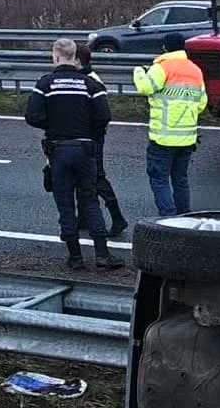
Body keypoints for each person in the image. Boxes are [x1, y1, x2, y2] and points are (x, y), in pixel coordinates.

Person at [25, 38, 121, 270]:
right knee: (89, 201)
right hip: (85, 148)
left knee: (65, 204)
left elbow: (32, 116)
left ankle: (75, 257)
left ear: (56, 56)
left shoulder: (45, 84)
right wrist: (86, 130)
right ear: (75, 56)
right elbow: (103, 116)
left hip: (58, 149)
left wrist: (55, 126)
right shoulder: (90, 84)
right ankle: (102, 255)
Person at [132, 33, 205, 217]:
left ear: (165, 48)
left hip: (163, 137)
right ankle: (184, 216)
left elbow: (145, 88)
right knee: (180, 179)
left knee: (159, 179)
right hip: (187, 137)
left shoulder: (162, 67)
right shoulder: (195, 69)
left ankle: (168, 218)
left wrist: (139, 72)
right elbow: (202, 103)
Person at [76, 41, 130, 237]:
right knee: (83, 178)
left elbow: (100, 114)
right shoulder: (87, 77)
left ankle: (117, 218)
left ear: (77, 60)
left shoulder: (92, 81)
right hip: (88, 136)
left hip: (92, 137)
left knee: (97, 177)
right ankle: (82, 218)